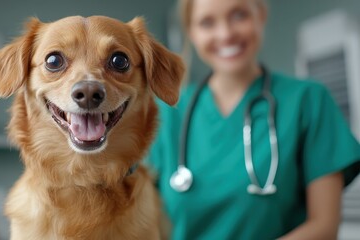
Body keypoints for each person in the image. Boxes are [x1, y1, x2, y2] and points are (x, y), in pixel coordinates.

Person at [146, 0, 360, 239]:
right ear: (191, 32)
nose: (226, 33)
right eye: (207, 22)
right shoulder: (166, 113)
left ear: (261, 15)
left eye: (239, 15)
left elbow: (324, 226)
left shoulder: (308, 101)